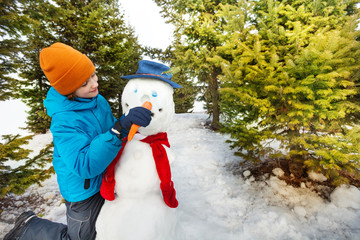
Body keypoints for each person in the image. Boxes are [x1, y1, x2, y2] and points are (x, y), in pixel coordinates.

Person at [4, 42, 152, 240]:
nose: (94, 83)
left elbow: (111, 133)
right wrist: (118, 129)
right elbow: (84, 165)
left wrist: (127, 126)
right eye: (84, 83)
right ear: (69, 91)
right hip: (83, 191)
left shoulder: (97, 100)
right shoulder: (63, 121)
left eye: (93, 74)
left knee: (107, 228)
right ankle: (29, 227)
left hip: (105, 177)